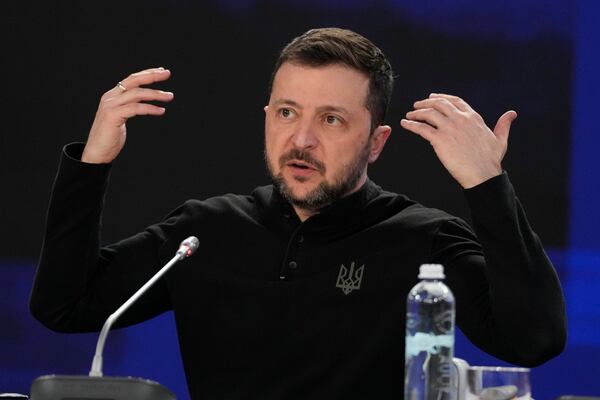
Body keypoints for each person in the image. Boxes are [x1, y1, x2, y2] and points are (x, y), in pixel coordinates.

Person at [30, 28, 566, 399]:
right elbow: (64, 305)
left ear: (377, 142)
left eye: (332, 120)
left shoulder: (421, 239)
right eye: (287, 113)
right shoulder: (206, 232)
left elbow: (533, 340)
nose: (301, 139)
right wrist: (92, 162)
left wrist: (487, 184)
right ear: (267, 118)